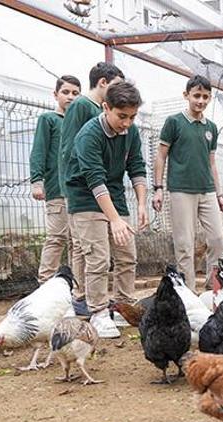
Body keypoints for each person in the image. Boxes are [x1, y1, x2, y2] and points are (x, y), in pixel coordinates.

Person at [65, 81, 148, 339]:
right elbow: (95, 180)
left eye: (132, 117)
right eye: (122, 116)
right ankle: (99, 312)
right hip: (85, 197)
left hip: (114, 194)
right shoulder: (88, 135)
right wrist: (114, 220)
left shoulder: (131, 132)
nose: (127, 123)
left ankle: (123, 307)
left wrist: (142, 204)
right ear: (106, 107)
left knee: (127, 254)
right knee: (98, 258)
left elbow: (137, 167)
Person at [59, 62, 125, 315]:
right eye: (116, 85)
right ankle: (81, 297)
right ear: (103, 83)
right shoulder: (81, 106)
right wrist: (70, 186)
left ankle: (87, 296)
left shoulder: (100, 109)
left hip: (96, 187)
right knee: (81, 245)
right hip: (80, 187)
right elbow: (69, 147)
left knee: (87, 247)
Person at [152, 75, 223, 291]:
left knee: (217, 239)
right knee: (185, 244)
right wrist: (158, 189)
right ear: (186, 95)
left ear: (209, 98)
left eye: (205, 96)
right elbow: (161, 156)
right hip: (181, 191)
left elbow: (212, 163)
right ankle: (189, 294)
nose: (200, 101)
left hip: (207, 191)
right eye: (196, 96)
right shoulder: (174, 122)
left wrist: (220, 194)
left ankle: (213, 289)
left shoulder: (211, 128)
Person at [29, 75, 81, 283]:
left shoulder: (80, 123)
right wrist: (37, 181)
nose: (70, 97)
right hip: (56, 189)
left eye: (75, 93)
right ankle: (45, 283)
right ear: (55, 94)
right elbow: (38, 151)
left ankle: (77, 286)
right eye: (65, 92)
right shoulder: (49, 120)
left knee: (77, 242)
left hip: (77, 192)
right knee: (57, 237)